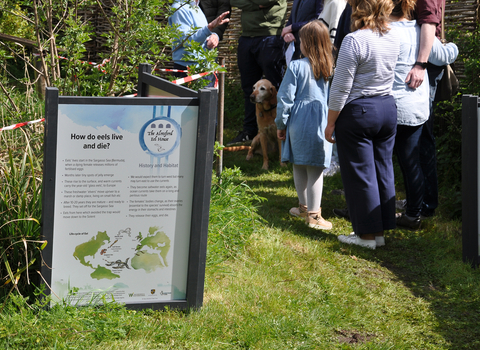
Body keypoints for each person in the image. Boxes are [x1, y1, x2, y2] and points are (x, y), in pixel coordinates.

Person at [325, 0, 400, 249]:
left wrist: (330, 122)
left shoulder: (354, 40)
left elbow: (341, 86)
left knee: (361, 174)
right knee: (383, 170)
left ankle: (366, 237)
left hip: (360, 111)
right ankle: (379, 232)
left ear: (359, 8)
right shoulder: (393, 37)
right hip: (387, 108)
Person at [390, 0, 458, 228]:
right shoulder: (411, 29)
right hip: (416, 82)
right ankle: (416, 207)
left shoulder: (408, 29)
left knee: (413, 151)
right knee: (411, 152)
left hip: (416, 77)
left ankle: (420, 206)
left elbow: (433, 38)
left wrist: (422, 62)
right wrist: (452, 49)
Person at [275, 20, 334, 230]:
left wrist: (280, 124)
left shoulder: (296, 66)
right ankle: (312, 213)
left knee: (299, 164)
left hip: (298, 122)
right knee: (315, 167)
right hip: (322, 121)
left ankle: (306, 209)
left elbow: (284, 99)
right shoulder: (330, 67)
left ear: (306, 44)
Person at [402, 0, 445, 218]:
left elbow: (429, 22)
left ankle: (426, 203)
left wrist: (420, 64)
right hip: (418, 61)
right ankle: (417, 199)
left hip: (423, 65)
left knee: (421, 135)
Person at [227, 0, 287, 146]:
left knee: (276, 87)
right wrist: (255, 5)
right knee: (249, 88)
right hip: (247, 37)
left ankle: (282, 131)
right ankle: (250, 131)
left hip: (270, 35)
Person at [168, 0, 230, 84]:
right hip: (188, 70)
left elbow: (201, 35)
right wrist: (209, 28)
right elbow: (187, 41)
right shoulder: (179, 9)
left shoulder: (196, 7)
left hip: (204, 68)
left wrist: (212, 37)